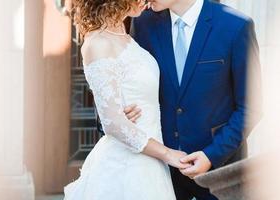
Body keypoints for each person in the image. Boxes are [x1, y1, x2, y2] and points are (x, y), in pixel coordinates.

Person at [125, 0, 262, 199]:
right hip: (160, 170)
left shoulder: (236, 25)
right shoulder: (143, 23)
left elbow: (251, 107)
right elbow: (125, 79)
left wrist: (211, 155)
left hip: (220, 171)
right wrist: (121, 112)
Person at [64, 0, 191, 199]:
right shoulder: (98, 43)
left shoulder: (127, 32)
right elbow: (113, 123)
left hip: (151, 159)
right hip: (127, 164)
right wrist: (168, 154)